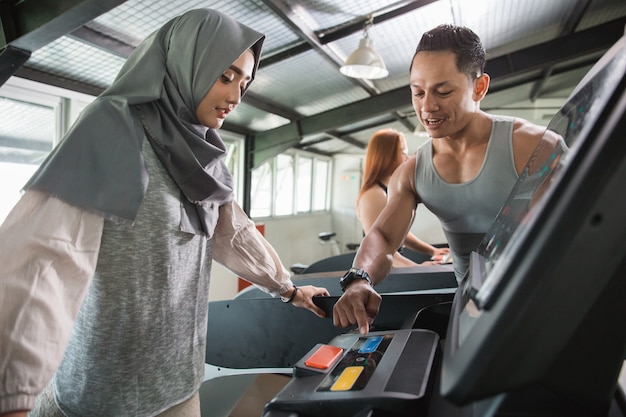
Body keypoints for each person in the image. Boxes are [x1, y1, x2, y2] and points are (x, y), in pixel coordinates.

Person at [0, 9, 329, 417]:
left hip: (179, 388)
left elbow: (233, 232)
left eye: (244, 83)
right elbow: (39, 260)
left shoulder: (205, 151)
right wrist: (12, 393)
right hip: (102, 398)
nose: (235, 97)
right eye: (225, 76)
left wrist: (290, 289)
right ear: (186, 62)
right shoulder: (112, 129)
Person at [333, 24, 547, 335]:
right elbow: (382, 236)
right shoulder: (413, 170)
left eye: (443, 91)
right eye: (417, 92)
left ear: (479, 87)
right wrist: (358, 279)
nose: (427, 106)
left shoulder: (532, 147)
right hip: (473, 317)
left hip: (540, 307)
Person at [356, 128, 449, 267]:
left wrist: (432, 251)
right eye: (403, 152)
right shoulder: (374, 194)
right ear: (386, 155)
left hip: (390, 266)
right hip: (378, 272)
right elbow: (377, 248)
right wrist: (416, 268)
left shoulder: (390, 188)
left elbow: (398, 233)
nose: (407, 157)